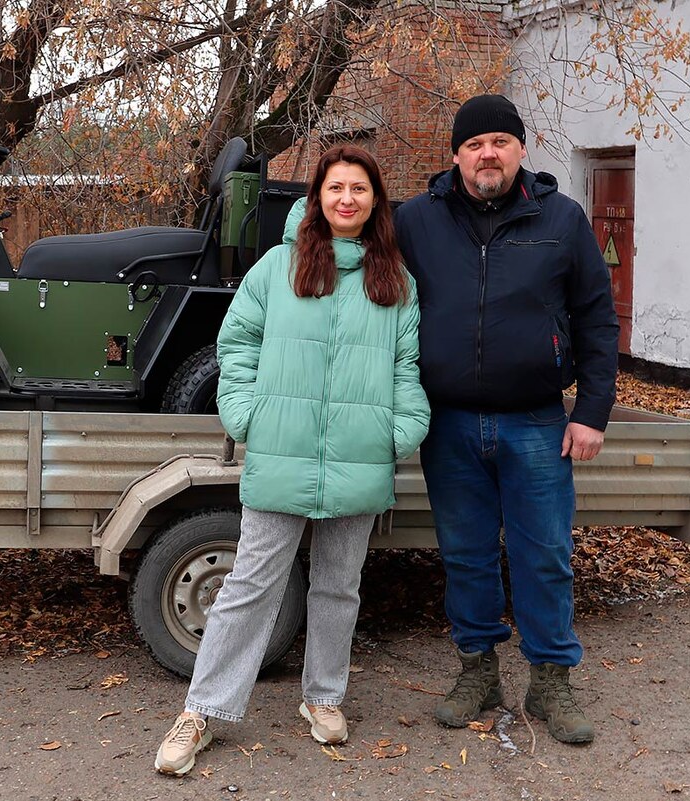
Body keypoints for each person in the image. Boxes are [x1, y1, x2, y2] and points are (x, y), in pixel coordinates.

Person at [154, 145, 429, 777]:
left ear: (375, 202)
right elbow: (237, 342)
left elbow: (405, 369)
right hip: (282, 452)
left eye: (360, 189)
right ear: (318, 197)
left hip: (360, 458)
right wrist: (246, 415)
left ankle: (324, 698)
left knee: (339, 586)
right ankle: (203, 711)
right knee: (249, 587)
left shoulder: (396, 282)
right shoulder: (278, 268)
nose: (347, 199)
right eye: (336, 188)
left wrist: (401, 433)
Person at [393, 94, 619, 745]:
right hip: (450, 425)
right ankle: (478, 670)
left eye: (499, 140)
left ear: (521, 148)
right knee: (466, 556)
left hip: (538, 422)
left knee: (543, 554)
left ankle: (550, 680)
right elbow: (371, 286)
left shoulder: (563, 219)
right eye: (474, 143)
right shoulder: (417, 221)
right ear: (456, 154)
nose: (487, 152)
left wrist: (593, 411)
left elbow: (598, 321)